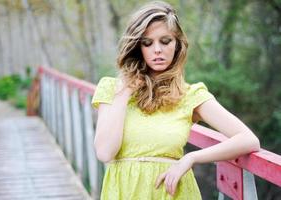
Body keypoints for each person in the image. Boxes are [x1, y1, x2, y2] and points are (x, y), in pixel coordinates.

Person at [91, 1, 260, 199]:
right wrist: (125, 91)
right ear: (138, 47)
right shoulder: (112, 88)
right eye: (147, 43)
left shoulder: (190, 95)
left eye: (165, 41)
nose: (157, 50)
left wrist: (191, 158)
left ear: (177, 44)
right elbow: (104, 153)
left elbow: (248, 140)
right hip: (124, 192)